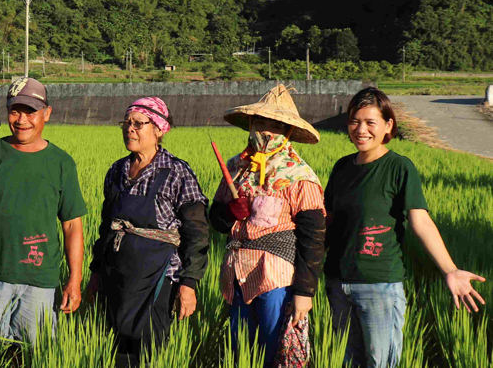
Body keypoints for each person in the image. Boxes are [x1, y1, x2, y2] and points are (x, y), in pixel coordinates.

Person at [324, 87, 486, 368]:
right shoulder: (341, 168)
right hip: (338, 284)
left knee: (381, 363)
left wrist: (450, 270)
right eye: (354, 121)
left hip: (379, 285)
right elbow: (327, 221)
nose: (360, 129)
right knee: (345, 362)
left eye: (370, 122)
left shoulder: (399, 168)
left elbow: (420, 221)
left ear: (388, 125)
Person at [0, 77, 87, 342]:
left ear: (46, 114)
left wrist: (75, 279)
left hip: (39, 280)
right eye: (15, 110)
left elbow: (72, 225)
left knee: (36, 353)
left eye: (31, 111)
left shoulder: (61, 163)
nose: (22, 119)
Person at [208, 84, 326, 368]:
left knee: (273, 349)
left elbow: (314, 238)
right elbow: (216, 220)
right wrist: (229, 213)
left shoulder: (299, 175)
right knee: (240, 351)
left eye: (276, 124)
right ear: (251, 123)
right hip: (236, 274)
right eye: (262, 122)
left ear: (287, 131)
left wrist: (304, 292)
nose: (267, 131)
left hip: (277, 278)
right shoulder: (236, 167)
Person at [86, 97, 209, 365]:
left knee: (150, 348)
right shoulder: (117, 170)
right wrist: (96, 271)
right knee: (114, 346)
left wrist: (189, 284)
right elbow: (106, 226)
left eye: (138, 124)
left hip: (158, 277)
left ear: (159, 129)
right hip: (115, 273)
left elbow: (197, 232)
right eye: (126, 123)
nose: (129, 129)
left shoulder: (177, 172)